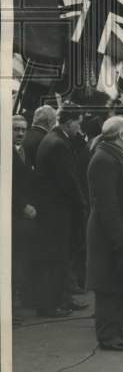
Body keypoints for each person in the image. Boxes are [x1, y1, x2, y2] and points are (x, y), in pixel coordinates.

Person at [85, 117, 123, 351]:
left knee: (120, 282)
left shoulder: (113, 154)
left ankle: (120, 329)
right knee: (108, 285)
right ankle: (108, 335)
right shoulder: (103, 159)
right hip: (107, 232)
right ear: (120, 134)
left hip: (117, 227)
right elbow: (106, 203)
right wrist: (120, 240)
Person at [31, 104, 88, 318]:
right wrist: (81, 203)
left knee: (59, 257)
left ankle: (61, 300)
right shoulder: (58, 144)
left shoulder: (55, 139)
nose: (79, 129)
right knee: (56, 257)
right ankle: (50, 305)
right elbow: (68, 180)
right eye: (78, 124)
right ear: (69, 122)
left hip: (52, 209)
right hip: (56, 211)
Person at [12, 115, 36, 317]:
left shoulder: (25, 151)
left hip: (24, 217)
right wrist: (22, 205)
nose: (20, 133)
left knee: (21, 259)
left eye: (23, 129)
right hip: (11, 215)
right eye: (15, 129)